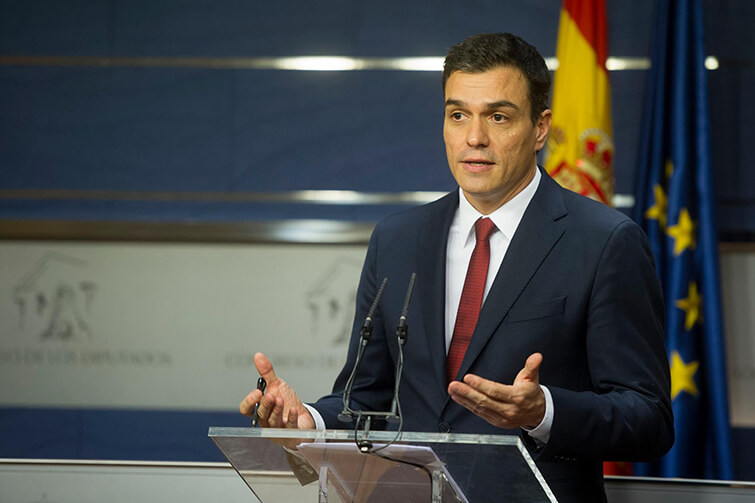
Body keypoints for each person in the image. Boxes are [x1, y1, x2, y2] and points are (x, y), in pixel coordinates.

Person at [240, 32, 673, 502]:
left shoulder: (605, 241)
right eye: (458, 115)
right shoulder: (397, 239)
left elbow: (649, 419)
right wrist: (308, 422)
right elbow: (366, 399)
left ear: (540, 128)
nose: (474, 138)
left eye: (498, 117)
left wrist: (543, 412)